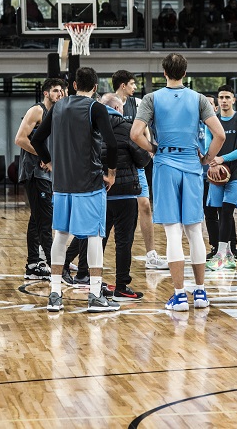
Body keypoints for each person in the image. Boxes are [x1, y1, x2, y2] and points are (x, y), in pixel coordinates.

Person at [130, 53, 226, 312]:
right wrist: (207, 159)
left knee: (173, 232)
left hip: (165, 164)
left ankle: (179, 295)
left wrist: (152, 148)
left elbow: (134, 133)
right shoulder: (198, 99)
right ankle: (201, 293)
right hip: (192, 164)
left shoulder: (151, 98)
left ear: (164, 72)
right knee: (194, 231)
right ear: (185, 73)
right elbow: (220, 134)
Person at [31, 67, 120, 313]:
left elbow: (37, 139)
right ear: (95, 88)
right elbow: (111, 143)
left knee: (60, 235)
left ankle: (55, 294)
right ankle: (94, 294)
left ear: (72, 86)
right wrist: (111, 173)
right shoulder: (96, 107)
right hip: (89, 182)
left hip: (61, 184)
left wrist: (49, 162)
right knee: (93, 236)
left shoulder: (57, 107)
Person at [97, 93, 152, 301]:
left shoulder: (92, 128)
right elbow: (143, 159)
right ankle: (121, 286)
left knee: (97, 241)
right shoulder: (128, 129)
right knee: (124, 242)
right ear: (118, 109)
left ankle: (93, 283)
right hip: (126, 193)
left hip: (100, 193)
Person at [111, 69, 168, 271]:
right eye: (133, 84)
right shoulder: (107, 104)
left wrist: (150, 146)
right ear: (123, 85)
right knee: (108, 214)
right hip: (112, 165)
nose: (135, 87)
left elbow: (145, 129)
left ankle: (151, 255)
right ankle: (89, 258)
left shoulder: (138, 104)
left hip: (134, 165)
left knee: (144, 204)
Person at [14, 78, 65, 282]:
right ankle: (55, 268)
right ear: (46, 93)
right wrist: (44, 156)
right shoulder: (37, 111)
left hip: (48, 173)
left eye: (62, 90)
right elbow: (20, 139)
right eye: (55, 90)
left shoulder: (59, 113)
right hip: (35, 173)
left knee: (37, 218)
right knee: (45, 220)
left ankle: (33, 264)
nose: (59, 94)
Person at [205, 84, 237, 270]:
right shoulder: (212, 120)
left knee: (227, 211)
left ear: (233, 99)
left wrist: (220, 159)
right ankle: (230, 254)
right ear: (217, 100)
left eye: (227, 97)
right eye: (221, 97)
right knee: (218, 212)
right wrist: (212, 163)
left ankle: (221, 254)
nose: (224, 101)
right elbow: (209, 145)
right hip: (215, 174)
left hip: (235, 174)